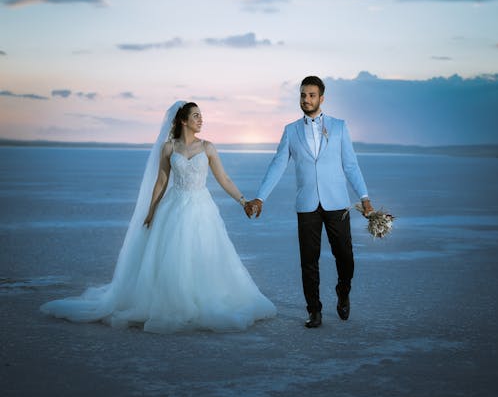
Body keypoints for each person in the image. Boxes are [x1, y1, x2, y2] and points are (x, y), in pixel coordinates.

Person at [41, 101, 276, 333]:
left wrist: (244, 201)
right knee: (173, 256)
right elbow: (161, 182)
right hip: (173, 207)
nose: (200, 119)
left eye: (201, 116)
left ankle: (202, 298)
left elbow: (224, 179)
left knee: (203, 253)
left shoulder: (208, 147)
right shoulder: (169, 148)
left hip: (201, 208)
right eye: (195, 116)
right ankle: (173, 302)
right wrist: (151, 210)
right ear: (183, 120)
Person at [245, 76, 373, 329]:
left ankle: (343, 291)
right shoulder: (290, 130)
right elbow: (278, 165)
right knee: (309, 261)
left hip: (337, 203)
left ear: (321, 98)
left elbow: (350, 165)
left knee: (345, 257)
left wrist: (365, 198)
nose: (306, 99)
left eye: (312, 95)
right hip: (306, 205)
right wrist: (260, 197)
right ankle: (314, 311)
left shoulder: (338, 126)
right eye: (303, 95)